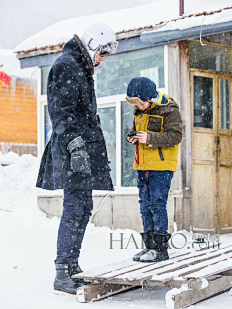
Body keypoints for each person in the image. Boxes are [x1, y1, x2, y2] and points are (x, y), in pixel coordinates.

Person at [36, 23, 118, 294]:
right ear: (93, 45)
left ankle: (72, 266)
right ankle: (63, 271)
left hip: (82, 147)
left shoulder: (80, 67)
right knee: (75, 207)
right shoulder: (67, 65)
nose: (103, 60)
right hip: (73, 149)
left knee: (83, 207)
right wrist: (76, 145)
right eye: (103, 53)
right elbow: (61, 111)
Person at [125, 77, 182, 263]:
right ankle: (149, 246)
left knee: (157, 205)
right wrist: (133, 137)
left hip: (161, 166)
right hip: (142, 165)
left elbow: (175, 136)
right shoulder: (139, 111)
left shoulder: (169, 108)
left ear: (151, 98)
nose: (139, 107)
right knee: (144, 206)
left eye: (141, 103)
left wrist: (149, 139)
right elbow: (138, 131)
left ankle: (160, 249)